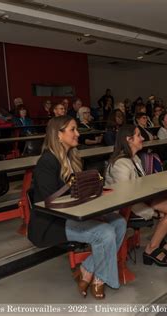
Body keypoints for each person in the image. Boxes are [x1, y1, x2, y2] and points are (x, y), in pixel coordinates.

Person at [29, 116, 126, 299]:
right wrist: (81, 188)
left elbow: (78, 192)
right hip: (52, 222)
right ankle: (99, 280)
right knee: (105, 232)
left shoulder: (72, 158)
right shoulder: (47, 162)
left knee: (119, 222)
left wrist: (95, 190)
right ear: (58, 135)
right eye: (73, 129)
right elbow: (52, 200)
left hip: (73, 214)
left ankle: (87, 269)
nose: (78, 133)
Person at [105, 125, 167, 267]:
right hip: (124, 208)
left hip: (138, 199)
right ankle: (151, 249)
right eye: (139, 135)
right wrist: (152, 213)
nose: (143, 138)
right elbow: (126, 198)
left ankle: (157, 240)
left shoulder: (134, 158)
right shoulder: (120, 164)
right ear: (129, 140)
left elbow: (139, 186)